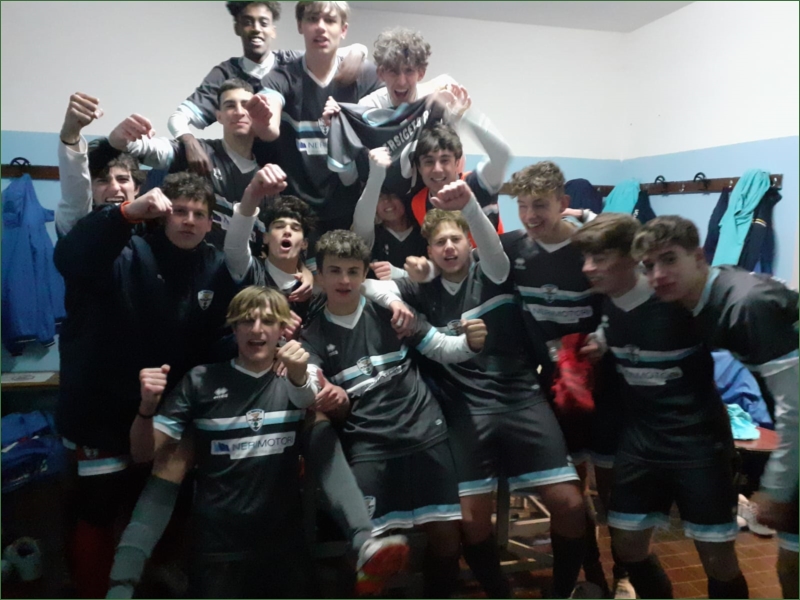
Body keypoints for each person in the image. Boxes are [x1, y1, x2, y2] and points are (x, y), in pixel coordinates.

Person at [361, 180, 588, 598]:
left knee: (571, 505)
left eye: (456, 239)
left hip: (520, 398)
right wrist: (397, 296)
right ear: (429, 251)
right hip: (464, 409)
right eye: (439, 243)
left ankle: (560, 592)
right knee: (471, 523)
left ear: (469, 242)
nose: (449, 248)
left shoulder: (494, 272)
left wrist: (469, 206)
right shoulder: (421, 287)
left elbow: (494, 247)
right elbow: (366, 285)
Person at [220, 163, 409, 596]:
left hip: (307, 386)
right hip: (251, 389)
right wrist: (252, 196)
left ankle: (361, 541)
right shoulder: (250, 271)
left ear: (305, 242)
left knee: (322, 415)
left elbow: (361, 279)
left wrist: (390, 295)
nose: (286, 233)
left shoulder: (320, 282)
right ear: (265, 237)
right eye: (278, 227)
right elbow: (235, 241)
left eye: (294, 228)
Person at [53, 172, 240, 597]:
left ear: (210, 222)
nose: (188, 220)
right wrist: (124, 214)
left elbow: (216, 341)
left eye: (199, 214)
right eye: (180, 211)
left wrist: (257, 344)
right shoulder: (126, 250)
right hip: (102, 412)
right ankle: (93, 591)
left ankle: (153, 579)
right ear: (162, 215)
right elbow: (71, 260)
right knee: (97, 509)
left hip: (168, 416)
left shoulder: (214, 264)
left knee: (168, 505)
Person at [301, 229, 488, 598]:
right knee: (367, 548)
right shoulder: (313, 333)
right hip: (368, 443)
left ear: (364, 274)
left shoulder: (391, 312)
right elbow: (307, 380)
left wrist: (469, 344)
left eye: (353, 271)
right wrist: (320, 389)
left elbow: (441, 347)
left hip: (425, 431)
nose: (344, 280)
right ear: (319, 276)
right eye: (334, 271)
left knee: (447, 538)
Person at [573, 213, 747, 599]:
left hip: (699, 444)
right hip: (641, 441)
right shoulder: (607, 301)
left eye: (599, 258)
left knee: (718, 558)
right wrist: (601, 341)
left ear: (631, 258)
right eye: (585, 258)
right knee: (627, 546)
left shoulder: (678, 300)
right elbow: (617, 323)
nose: (587, 268)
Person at [633, 215, 799, 599]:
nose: (658, 274)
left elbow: (796, 408)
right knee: (791, 564)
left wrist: (775, 488)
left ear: (698, 257)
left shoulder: (744, 305)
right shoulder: (704, 294)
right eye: (649, 265)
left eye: (669, 259)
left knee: (793, 567)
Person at [169, 1, 367, 175]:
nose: (257, 29)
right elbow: (178, 117)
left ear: (273, 30)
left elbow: (330, 50)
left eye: (263, 23)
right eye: (248, 22)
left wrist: (358, 50)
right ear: (237, 27)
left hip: (289, 173)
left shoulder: (290, 62)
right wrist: (189, 141)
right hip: (245, 169)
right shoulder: (225, 74)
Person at [109, 79, 297, 258]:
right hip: (189, 268)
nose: (239, 112)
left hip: (238, 275)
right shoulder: (196, 152)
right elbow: (133, 146)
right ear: (219, 116)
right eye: (230, 105)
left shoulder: (266, 180)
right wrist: (121, 136)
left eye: (246, 106)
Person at [250, 1, 383, 245]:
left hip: (350, 209)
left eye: (330, 21)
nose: (320, 27)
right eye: (312, 19)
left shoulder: (365, 75)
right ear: (300, 25)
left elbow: (402, 100)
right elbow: (270, 128)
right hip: (296, 213)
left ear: (343, 29)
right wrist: (262, 121)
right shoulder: (281, 76)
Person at [56, 92, 146, 237]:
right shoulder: (79, 224)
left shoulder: (152, 229)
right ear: (90, 189)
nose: (115, 188)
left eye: (123, 179)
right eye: (102, 181)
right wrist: (70, 134)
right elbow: (75, 195)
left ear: (136, 188)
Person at [352, 147, 428, 280]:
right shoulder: (372, 236)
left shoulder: (423, 232)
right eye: (380, 197)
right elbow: (362, 220)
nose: (387, 200)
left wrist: (401, 274)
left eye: (393, 195)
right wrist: (377, 173)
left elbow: (436, 277)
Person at [358, 27, 457, 110]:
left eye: (409, 71)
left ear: (421, 73)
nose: (401, 82)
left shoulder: (433, 104)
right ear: (381, 74)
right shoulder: (367, 107)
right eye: (393, 71)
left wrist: (456, 115)